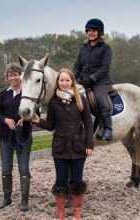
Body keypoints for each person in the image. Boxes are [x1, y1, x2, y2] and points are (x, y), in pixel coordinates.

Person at [31, 69, 94, 220]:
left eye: (67, 80)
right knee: (60, 181)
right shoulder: (53, 102)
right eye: (61, 80)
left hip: (78, 146)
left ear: (72, 82)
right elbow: (51, 124)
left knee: (77, 181)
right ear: (57, 82)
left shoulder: (80, 100)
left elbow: (88, 123)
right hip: (60, 147)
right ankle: (61, 214)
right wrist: (38, 121)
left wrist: (89, 145)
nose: (64, 83)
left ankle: (77, 211)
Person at [0, 62, 32, 212]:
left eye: (15, 74)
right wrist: (5, 120)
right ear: (7, 77)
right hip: (5, 136)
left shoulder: (27, 92)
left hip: (23, 136)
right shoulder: (4, 93)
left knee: (23, 168)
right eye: (10, 75)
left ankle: (24, 200)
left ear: (20, 75)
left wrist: (26, 118)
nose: (13, 77)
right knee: (6, 168)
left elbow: (37, 113)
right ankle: (6, 198)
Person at [73, 18, 113, 141]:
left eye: (94, 30)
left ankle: (107, 128)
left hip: (100, 81)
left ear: (99, 32)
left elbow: (105, 68)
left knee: (100, 98)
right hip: (84, 81)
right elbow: (77, 66)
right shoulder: (83, 47)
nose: (91, 33)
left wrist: (91, 78)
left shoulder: (105, 48)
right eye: (89, 30)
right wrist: (72, 77)